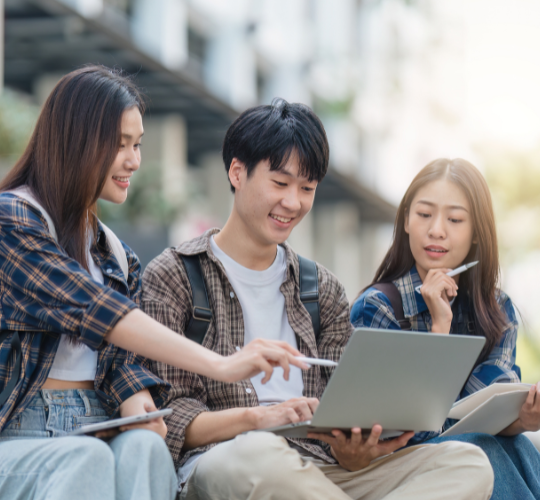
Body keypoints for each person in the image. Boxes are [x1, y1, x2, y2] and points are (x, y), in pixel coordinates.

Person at [0, 67, 303, 500]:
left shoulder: (115, 254)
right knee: (85, 458)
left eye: (137, 144)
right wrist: (220, 364)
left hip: (97, 422)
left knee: (148, 449)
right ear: (77, 142)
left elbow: (120, 357)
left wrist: (133, 393)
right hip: (10, 438)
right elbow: (91, 309)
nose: (134, 160)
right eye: (119, 144)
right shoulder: (9, 219)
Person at [142, 100, 494, 500]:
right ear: (237, 172)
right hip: (227, 461)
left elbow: (342, 420)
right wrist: (257, 419)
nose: (293, 202)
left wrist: (355, 449)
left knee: (467, 464)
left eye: (306, 188)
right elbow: (165, 417)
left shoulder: (321, 287)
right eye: (280, 183)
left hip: (320, 472)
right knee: (259, 453)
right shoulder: (175, 274)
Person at [350, 158, 540, 500]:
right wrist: (440, 329)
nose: (437, 230)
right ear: (405, 220)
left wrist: (524, 420)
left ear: (477, 231)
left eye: (455, 219)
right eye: (423, 214)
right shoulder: (379, 307)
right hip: (394, 469)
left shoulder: (498, 311)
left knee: (517, 444)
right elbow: (408, 431)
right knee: (480, 448)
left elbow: (483, 416)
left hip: (467, 458)